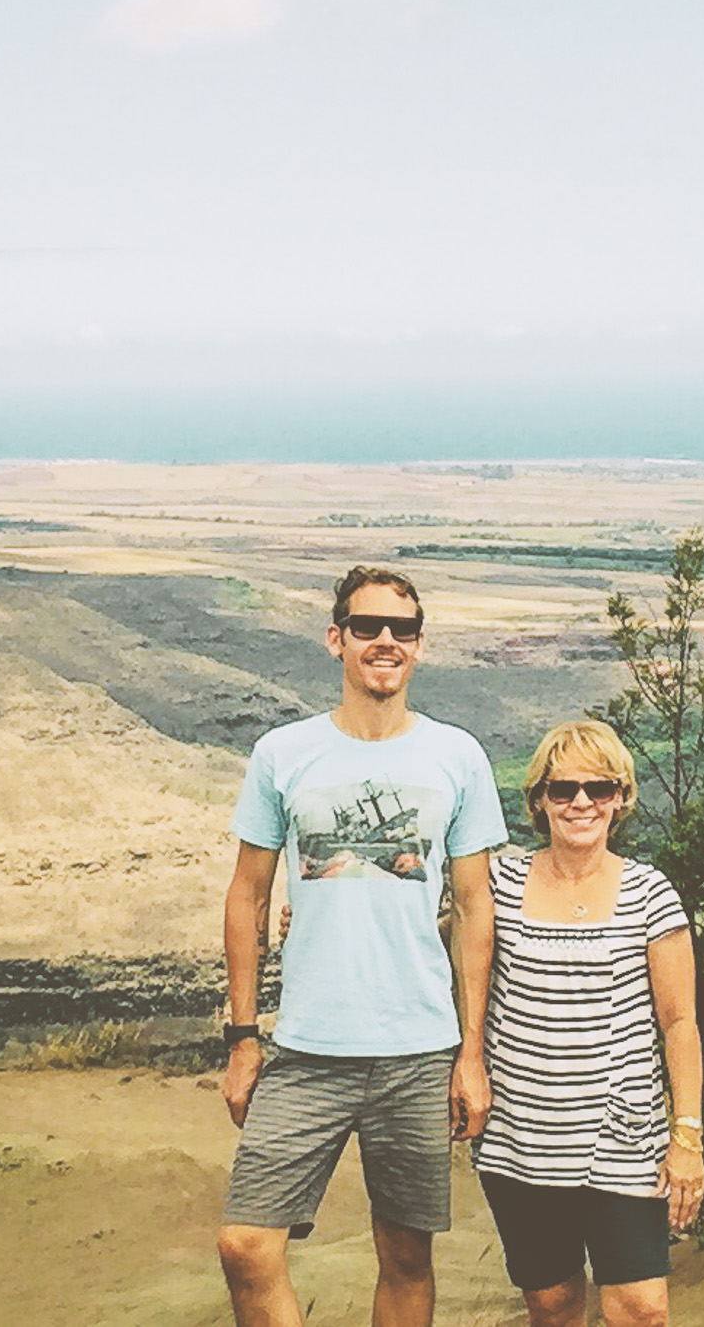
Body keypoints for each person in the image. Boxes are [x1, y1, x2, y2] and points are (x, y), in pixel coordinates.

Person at [215, 564, 508, 1327]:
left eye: (402, 630)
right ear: (335, 639)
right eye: (368, 627)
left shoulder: (458, 756)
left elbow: (476, 908)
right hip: (307, 1046)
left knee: (406, 1256)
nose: (386, 641)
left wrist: (469, 1052)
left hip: (416, 1046)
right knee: (246, 1244)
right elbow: (246, 896)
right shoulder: (284, 753)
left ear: (419, 646)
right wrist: (242, 1037)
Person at [474, 719, 704, 1327]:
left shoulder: (650, 893)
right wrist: (310, 913)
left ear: (620, 798)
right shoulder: (496, 884)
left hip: (622, 1139)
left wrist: (687, 1136)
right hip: (523, 1138)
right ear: (539, 800)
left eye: (599, 789)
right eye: (564, 788)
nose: (581, 802)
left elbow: (680, 1023)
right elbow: (424, 940)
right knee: (552, 1306)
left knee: (641, 1309)